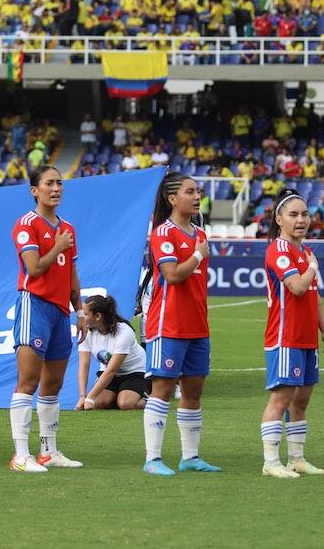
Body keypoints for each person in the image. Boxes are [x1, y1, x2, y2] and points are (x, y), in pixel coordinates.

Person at [142, 172, 220, 476]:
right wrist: (199, 256)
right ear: (172, 199)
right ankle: (153, 459)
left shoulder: (199, 233)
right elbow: (173, 275)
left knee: (193, 392)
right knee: (162, 389)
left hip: (197, 324)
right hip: (169, 323)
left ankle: (190, 457)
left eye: (198, 191)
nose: (197, 196)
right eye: (190, 191)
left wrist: (199, 252)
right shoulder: (163, 233)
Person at [8, 165, 85, 472]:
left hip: (59, 311)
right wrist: (57, 246)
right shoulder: (26, 224)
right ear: (34, 191)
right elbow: (35, 268)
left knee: (53, 384)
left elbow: (72, 274)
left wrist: (79, 311)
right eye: (49, 183)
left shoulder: (67, 228)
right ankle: (20, 456)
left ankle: (48, 451)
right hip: (34, 305)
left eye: (59, 183)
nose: (56, 188)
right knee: (28, 381)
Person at [260, 189, 324, 478]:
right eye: (293, 214)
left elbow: (313, 296)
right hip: (285, 337)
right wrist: (313, 268)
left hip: (306, 339)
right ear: (279, 219)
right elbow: (298, 287)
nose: (301, 219)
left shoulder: (305, 251)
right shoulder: (278, 250)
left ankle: (297, 459)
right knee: (281, 399)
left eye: (304, 214)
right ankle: (270, 461)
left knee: (301, 401)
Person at [76, 295, 146, 411]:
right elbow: (84, 365)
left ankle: (149, 398)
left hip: (134, 372)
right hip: (109, 373)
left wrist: (90, 398)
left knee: (125, 404)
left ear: (98, 316)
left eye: (86, 314)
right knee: (98, 404)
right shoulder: (86, 331)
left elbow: (111, 370)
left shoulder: (124, 332)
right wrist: (83, 396)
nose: (82, 317)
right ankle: (118, 395)